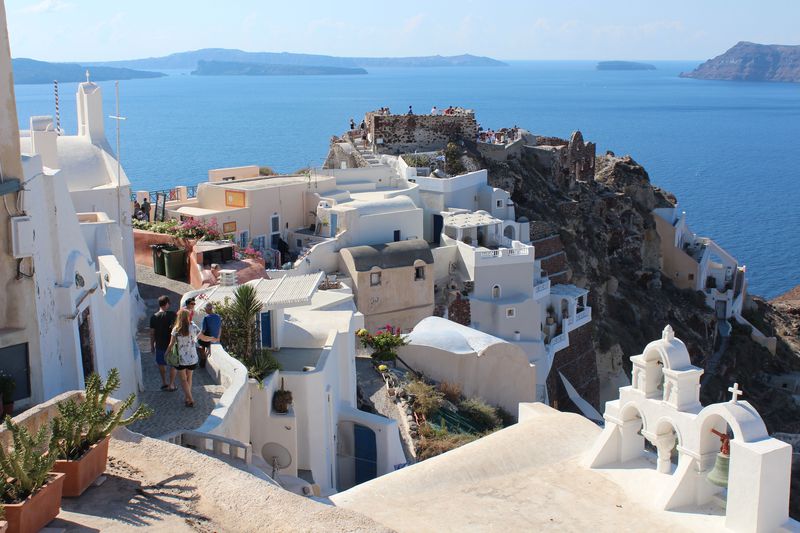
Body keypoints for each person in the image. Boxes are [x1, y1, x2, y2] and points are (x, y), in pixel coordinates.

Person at [165, 309, 217, 407]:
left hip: (181, 359)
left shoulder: (176, 329)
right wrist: (212, 338)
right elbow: (203, 337)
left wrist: (166, 353)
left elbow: (171, 344)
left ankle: (191, 399)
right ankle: (187, 398)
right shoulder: (193, 327)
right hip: (192, 358)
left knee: (183, 379)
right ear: (188, 317)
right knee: (190, 378)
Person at [150, 295, 177, 391]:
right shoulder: (172, 315)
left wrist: (152, 346)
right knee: (173, 365)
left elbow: (152, 333)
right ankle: (172, 384)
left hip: (159, 345)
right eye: (169, 303)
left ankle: (164, 382)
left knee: (161, 364)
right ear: (166, 304)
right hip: (171, 345)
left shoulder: (153, 317)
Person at [199, 302, 222, 368]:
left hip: (208, 339)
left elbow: (203, 331)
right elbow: (220, 328)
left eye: (205, 309)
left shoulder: (206, 318)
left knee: (199, 345)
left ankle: (203, 359)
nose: (205, 310)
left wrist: (198, 337)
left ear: (208, 309)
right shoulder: (218, 317)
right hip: (216, 340)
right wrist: (218, 338)